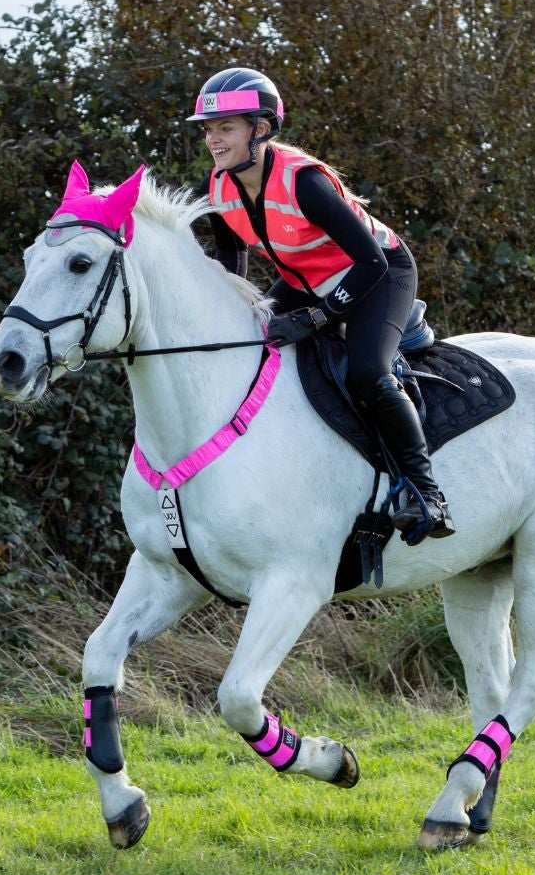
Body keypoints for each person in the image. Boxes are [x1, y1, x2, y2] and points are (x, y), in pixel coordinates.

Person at [189, 66, 454, 542]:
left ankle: (427, 493)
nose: (213, 139)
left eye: (225, 127)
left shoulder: (304, 182)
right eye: (209, 130)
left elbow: (370, 262)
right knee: (248, 341)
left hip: (379, 275)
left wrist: (316, 317)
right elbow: (233, 259)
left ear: (262, 129)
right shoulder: (221, 184)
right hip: (306, 277)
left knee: (366, 373)